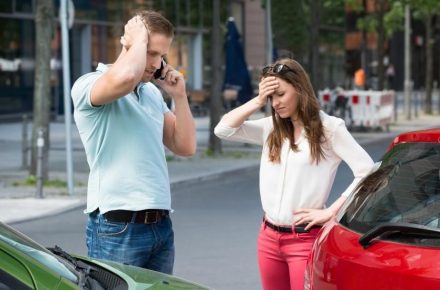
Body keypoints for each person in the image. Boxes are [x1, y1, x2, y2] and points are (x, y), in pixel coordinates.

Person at [214, 58, 374, 290]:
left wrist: (332, 211)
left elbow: (367, 171)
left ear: (299, 88)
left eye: (280, 94)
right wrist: (257, 100)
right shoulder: (272, 128)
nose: (275, 103)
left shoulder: (329, 128)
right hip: (268, 237)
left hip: (304, 239)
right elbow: (223, 130)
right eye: (271, 97)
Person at [71, 11, 196, 274]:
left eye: (161, 55)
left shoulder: (151, 93)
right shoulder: (89, 84)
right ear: (127, 43)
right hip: (117, 227)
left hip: (160, 224)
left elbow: (185, 146)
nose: (156, 62)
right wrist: (138, 38)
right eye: (150, 52)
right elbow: (125, 78)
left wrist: (180, 97)